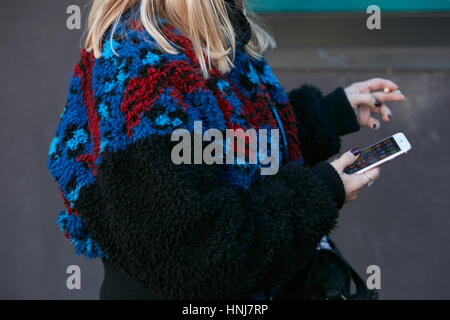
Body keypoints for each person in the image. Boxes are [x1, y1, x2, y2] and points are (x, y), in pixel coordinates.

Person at [47, 0, 405, 299]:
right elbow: (196, 250)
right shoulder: (145, 67)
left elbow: (219, 152)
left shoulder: (200, 42)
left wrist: (328, 115)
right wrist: (321, 191)